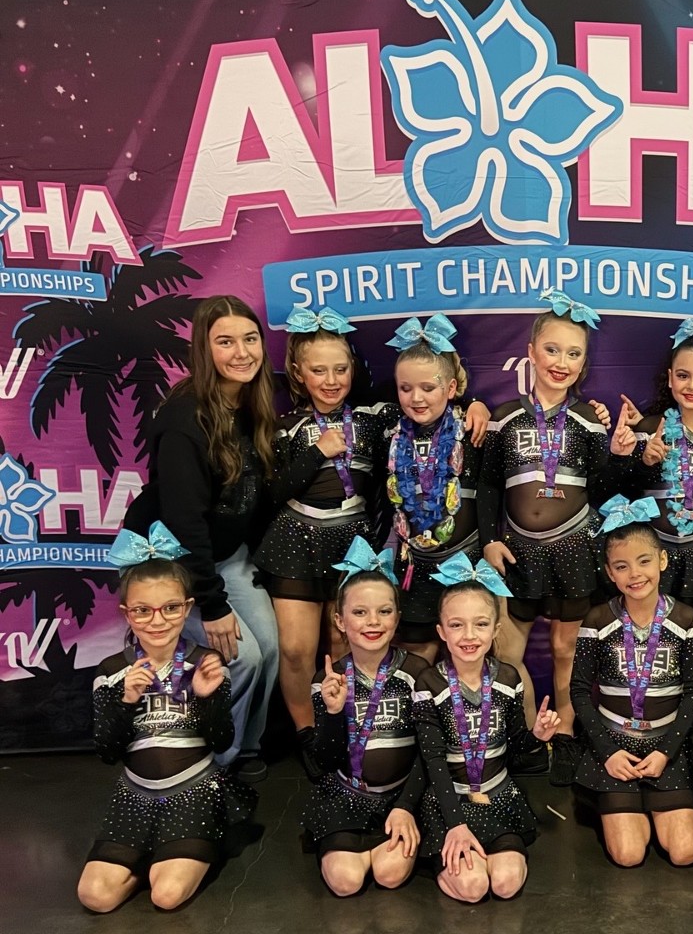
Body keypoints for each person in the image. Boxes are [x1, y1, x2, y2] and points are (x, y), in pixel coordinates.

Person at [124, 294, 280, 779]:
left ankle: (243, 749)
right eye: (225, 342)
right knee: (242, 657)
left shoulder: (250, 403)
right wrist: (211, 606)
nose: (242, 352)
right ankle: (211, 769)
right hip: (176, 566)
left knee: (270, 648)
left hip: (227, 556)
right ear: (204, 350)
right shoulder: (184, 418)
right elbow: (184, 523)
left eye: (250, 339)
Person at [77, 523, 256, 912]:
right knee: (95, 897)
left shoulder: (206, 663)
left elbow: (222, 741)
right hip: (134, 797)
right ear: (127, 613)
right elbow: (107, 752)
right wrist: (126, 701)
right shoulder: (111, 671)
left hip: (194, 794)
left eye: (170, 608)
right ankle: (151, 856)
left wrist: (207, 700)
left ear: (187, 608)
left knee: (167, 896)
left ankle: (191, 847)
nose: (157, 621)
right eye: (143, 611)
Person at [254, 306, 399, 748]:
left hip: (353, 540)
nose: (332, 380)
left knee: (344, 642)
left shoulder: (374, 418)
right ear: (298, 373)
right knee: (296, 649)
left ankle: (343, 729)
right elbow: (270, 494)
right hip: (295, 540)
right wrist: (317, 452)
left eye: (340, 369)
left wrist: (472, 407)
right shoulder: (283, 427)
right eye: (319, 370)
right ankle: (307, 735)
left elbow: (427, 407)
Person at [479, 289, 610, 759]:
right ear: (531, 352)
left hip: (574, 548)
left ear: (583, 363)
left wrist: (621, 454)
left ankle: (568, 733)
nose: (561, 362)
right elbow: (488, 486)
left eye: (574, 354)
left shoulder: (590, 421)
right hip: (517, 550)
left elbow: (604, 488)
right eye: (552, 350)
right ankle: (528, 735)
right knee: (507, 652)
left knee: (565, 649)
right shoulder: (504, 418)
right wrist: (489, 541)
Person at [569, 495, 693, 868]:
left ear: (662, 560)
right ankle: (618, 801)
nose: (635, 574)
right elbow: (579, 691)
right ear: (609, 573)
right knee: (629, 855)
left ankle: (655, 799)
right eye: (622, 566)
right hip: (614, 747)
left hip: (666, 745)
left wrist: (666, 752)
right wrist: (607, 753)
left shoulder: (685, 619)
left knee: (684, 853)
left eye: (644, 561)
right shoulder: (598, 620)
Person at [414, 554, 561, 903]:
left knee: (506, 883)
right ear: (441, 631)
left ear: (495, 630)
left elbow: (516, 746)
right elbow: (433, 761)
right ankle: (446, 859)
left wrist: (537, 737)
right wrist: (456, 825)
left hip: (498, 798)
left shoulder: (508, 679)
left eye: (480, 624)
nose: (469, 635)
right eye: (456, 625)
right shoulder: (429, 683)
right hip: (449, 801)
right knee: (473, 887)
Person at [300, 539, 429, 896]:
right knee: (345, 882)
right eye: (359, 612)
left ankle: (392, 832)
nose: (373, 622)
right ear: (340, 621)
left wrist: (406, 806)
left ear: (397, 617)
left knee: (390, 874)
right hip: (347, 795)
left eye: (384, 611)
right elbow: (325, 760)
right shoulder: (328, 679)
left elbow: (429, 753)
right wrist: (333, 713)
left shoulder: (418, 673)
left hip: (401, 795)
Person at [608, 318, 693, 619]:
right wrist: (645, 463)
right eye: (683, 375)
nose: (692, 385)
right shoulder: (648, 428)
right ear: (670, 379)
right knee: (645, 627)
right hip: (651, 553)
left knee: (690, 629)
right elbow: (621, 494)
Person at [386, 314, 489, 664]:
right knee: (416, 658)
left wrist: (474, 401)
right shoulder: (391, 431)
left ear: (450, 388)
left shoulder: (470, 431)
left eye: (428, 388)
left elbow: (492, 493)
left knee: (470, 656)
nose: (416, 398)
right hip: (414, 564)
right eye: (405, 388)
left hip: (465, 560)